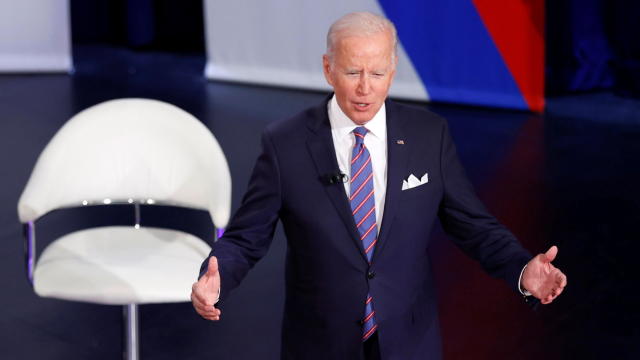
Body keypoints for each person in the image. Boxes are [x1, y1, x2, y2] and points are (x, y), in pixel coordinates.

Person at [191, 12, 567, 360]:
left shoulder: (427, 136)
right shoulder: (285, 144)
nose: (365, 89)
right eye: (353, 72)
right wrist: (217, 275)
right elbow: (246, 237)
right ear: (328, 69)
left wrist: (521, 268)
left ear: (393, 70)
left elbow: (472, 224)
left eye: (378, 73)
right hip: (321, 343)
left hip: (409, 340)